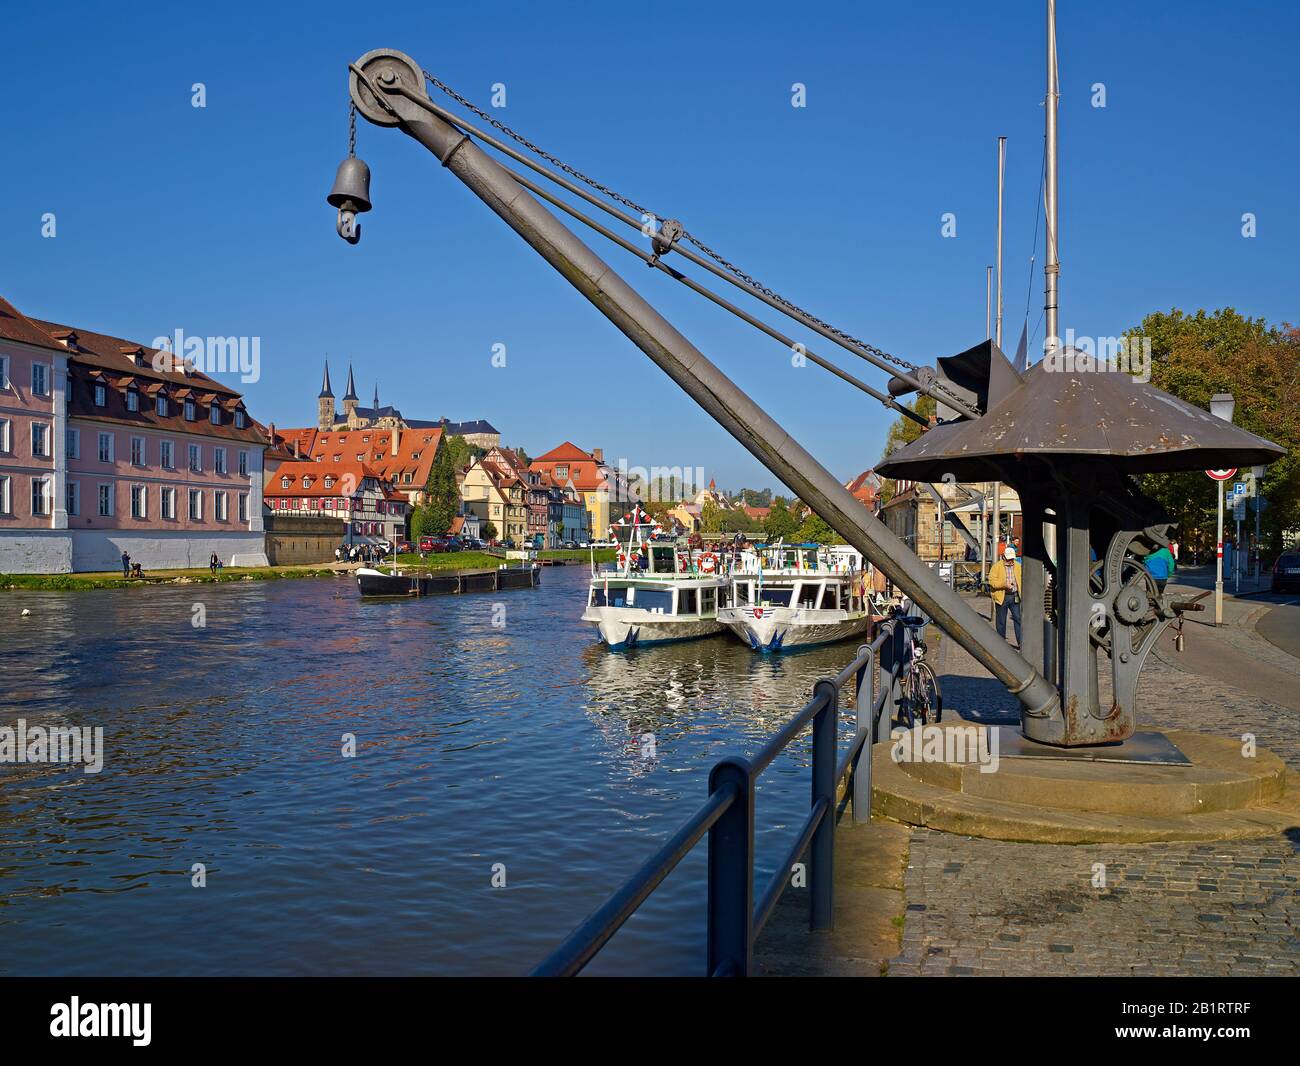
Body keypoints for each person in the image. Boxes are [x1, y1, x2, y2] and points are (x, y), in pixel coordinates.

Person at [988, 545, 1023, 647]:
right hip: (1002, 596)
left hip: (1015, 596)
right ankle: (1001, 644)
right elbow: (992, 582)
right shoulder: (996, 567)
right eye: (1009, 559)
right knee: (1001, 621)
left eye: (1012, 558)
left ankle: (1021, 643)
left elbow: (1022, 579)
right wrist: (1004, 584)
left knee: (1018, 619)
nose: (1011, 561)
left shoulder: (1017, 566)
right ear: (1003, 557)